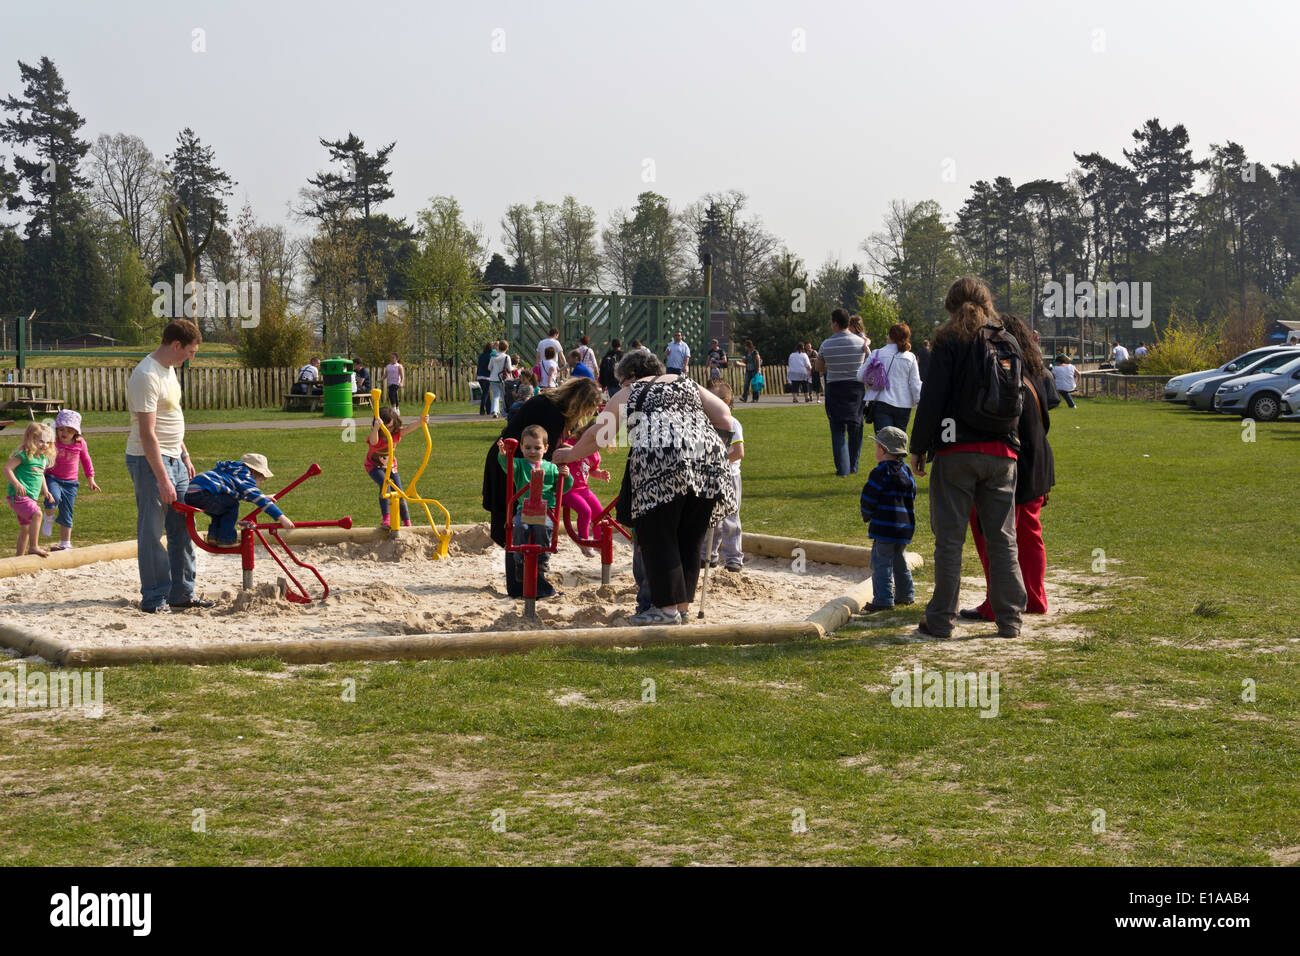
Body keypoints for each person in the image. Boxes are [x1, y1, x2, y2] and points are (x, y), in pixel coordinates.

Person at [552, 349, 735, 625]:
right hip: (708, 464)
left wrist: (569, 454)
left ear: (631, 375)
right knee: (689, 537)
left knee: (658, 536)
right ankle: (682, 607)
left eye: (622, 380)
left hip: (661, 467)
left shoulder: (631, 391)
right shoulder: (685, 382)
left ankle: (664, 610)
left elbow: (599, 434)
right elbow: (724, 415)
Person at [909, 277, 1027, 639]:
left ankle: (942, 619)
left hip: (956, 449)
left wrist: (919, 446)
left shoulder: (949, 340)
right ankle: (1010, 619)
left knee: (949, 539)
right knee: (1003, 538)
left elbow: (933, 398)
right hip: (1003, 450)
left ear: (950, 304)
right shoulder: (1008, 340)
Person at [963, 313, 1055, 624]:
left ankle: (997, 601)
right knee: (1029, 534)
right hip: (1038, 462)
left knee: (993, 535)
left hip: (1017, 463)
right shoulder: (1034, 374)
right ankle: (1034, 595)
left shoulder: (1008, 376)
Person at [126, 318, 211, 613]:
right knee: (151, 530)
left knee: (183, 528)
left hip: (175, 458)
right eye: (191, 351)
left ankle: (182, 593)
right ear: (176, 345)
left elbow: (170, 419)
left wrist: (185, 455)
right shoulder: (146, 375)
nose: (192, 357)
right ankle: (154, 597)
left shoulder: (170, 370)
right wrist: (163, 478)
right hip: (150, 461)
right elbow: (148, 434)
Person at [481, 376, 604, 553]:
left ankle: (526, 572)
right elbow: (543, 452)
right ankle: (523, 575)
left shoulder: (553, 407)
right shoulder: (551, 412)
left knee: (520, 526)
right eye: (588, 409)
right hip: (512, 463)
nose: (587, 414)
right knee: (514, 525)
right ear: (579, 402)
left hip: (518, 462)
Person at [496, 428, 573, 598]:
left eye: (537, 448)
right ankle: (519, 563)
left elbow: (564, 489)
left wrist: (566, 476)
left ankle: (542, 560)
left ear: (546, 448)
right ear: (521, 448)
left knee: (542, 527)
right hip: (525, 508)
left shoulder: (552, 468)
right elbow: (507, 467)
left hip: (546, 510)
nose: (532, 451)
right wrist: (504, 455)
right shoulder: (519, 465)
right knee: (519, 527)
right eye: (528, 447)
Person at [858, 426, 917, 611]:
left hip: (884, 528)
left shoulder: (879, 473)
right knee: (899, 559)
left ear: (883, 450)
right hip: (904, 526)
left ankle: (883, 600)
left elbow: (868, 498)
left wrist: (867, 514)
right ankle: (906, 594)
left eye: (876, 447)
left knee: (881, 562)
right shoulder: (906, 471)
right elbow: (913, 493)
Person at [185, 453, 295, 547]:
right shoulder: (245, 475)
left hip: (192, 493)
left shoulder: (232, 472)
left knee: (221, 509)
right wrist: (281, 518)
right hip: (204, 492)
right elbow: (258, 498)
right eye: (261, 480)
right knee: (232, 506)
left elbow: (238, 493)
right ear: (254, 472)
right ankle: (226, 539)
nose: (258, 484)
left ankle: (213, 536)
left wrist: (264, 496)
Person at [699, 381, 745, 572]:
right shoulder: (706, 422)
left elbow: (738, 452)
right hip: (710, 476)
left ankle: (734, 558)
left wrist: (719, 461)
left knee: (730, 519)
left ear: (724, 402)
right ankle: (707, 555)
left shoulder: (732, 423)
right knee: (710, 518)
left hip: (729, 476)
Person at [818, 308, 868, 477]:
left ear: (836, 323)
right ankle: (853, 466)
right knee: (856, 426)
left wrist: (828, 365)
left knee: (838, 429)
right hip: (856, 388)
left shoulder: (826, 344)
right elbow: (867, 363)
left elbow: (819, 368)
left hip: (835, 388)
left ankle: (843, 470)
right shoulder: (860, 343)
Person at [42, 409, 100, 552]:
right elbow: (41, 454)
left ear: (76, 432)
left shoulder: (80, 443)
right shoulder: (53, 441)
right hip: (52, 478)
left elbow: (86, 461)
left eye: (69, 430)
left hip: (70, 483)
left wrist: (91, 479)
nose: (64, 433)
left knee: (67, 512)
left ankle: (65, 543)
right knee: (52, 498)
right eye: (61, 429)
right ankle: (48, 517)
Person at [365, 406, 429, 528]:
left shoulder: (395, 434)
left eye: (391, 427)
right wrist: (376, 428)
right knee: (385, 485)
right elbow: (373, 441)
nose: (389, 430)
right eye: (386, 427)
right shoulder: (377, 436)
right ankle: (386, 519)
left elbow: (407, 429)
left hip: (391, 467)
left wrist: (421, 421)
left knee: (400, 493)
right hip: (374, 467)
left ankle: (407, 522)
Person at [560, 422, 612, 557]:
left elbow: (593, 470)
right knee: (585, 511)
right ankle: (583, 541)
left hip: (584, 489)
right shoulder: (573, 443)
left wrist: (600, 474)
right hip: (568, 490)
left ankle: (598, 541)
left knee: (600, 514)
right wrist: (571, 449)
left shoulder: (594, 453)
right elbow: (562, 449)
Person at [860, 322, 923, 433]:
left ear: (890, 336)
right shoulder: (911, 357)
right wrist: (918, 401)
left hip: (882, 402)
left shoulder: (876, 354)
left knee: (884, 444)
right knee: (899, 443)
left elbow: (860, 376)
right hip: (904, 404)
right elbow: (915, 383)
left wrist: (873, 380)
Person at [5, 422, 55, 558]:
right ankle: (33, 547)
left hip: (30, 497)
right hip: (18, 496)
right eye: (41, 441)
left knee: (26, 528)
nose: (44, 445)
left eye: (47, 442)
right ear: (31, 439)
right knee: (37, 514)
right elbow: (7, 469)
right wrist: (16, 484)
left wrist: (46, 491)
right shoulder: (24, 455)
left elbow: (41, 476)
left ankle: (19, 558)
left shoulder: (42, 459)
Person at [487, 339, 514, 418]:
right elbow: (509, 368)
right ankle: (504, 412)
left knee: (496, 395)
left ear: (499, 347)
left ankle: (495, 411)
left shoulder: (493, 356)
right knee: (503, 396)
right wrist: (514, 368)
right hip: (502, 379)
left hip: (493, 378)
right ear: (506, 348)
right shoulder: (506, 357)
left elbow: (489, 368)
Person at [476, 342, 494, 415]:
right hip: (487, 376)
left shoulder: (480, 356)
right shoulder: (490, 357)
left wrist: (476, 375)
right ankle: (482, 409)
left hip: (480, 376)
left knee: (486, 393)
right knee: (485, 393)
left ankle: (489, 409)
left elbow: (479, 366)